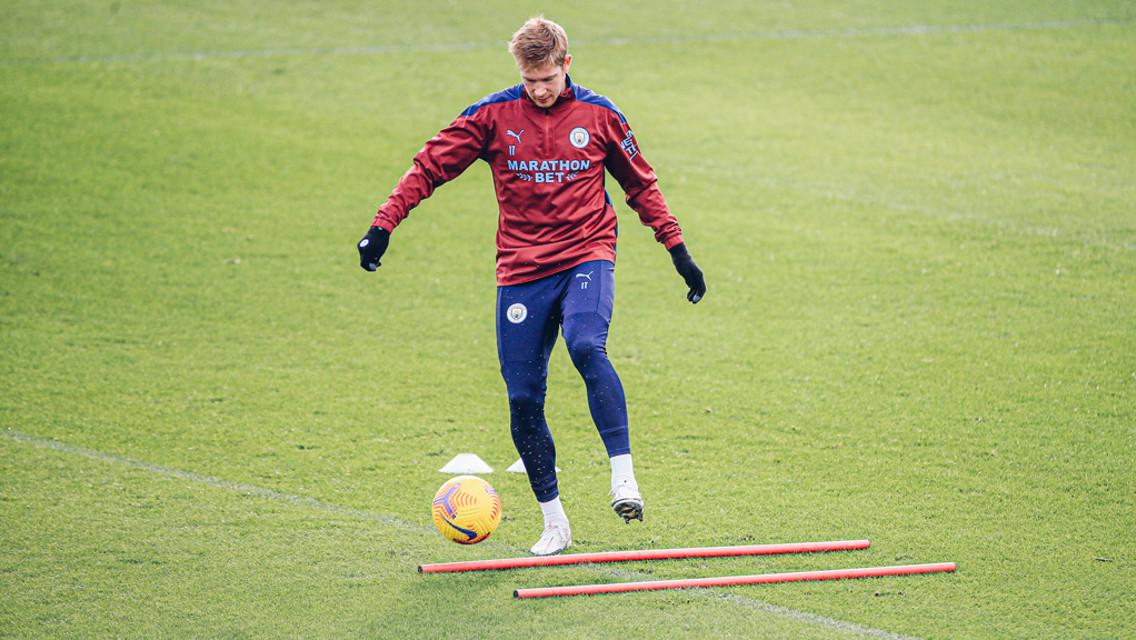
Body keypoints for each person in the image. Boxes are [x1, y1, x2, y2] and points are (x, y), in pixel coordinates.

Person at [357, 16, 706, 556]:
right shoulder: (492, 115)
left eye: (547, 78)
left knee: (587, 345)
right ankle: (555, 524)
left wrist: (678, 251)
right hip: (521, 270)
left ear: (567, 64)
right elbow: (429, 166)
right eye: (529, 80)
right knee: (523, 398)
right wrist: (383, 225)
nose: (539, 90)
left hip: (588, 253)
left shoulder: (601, 115)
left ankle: (623, 478)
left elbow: (642, 185)